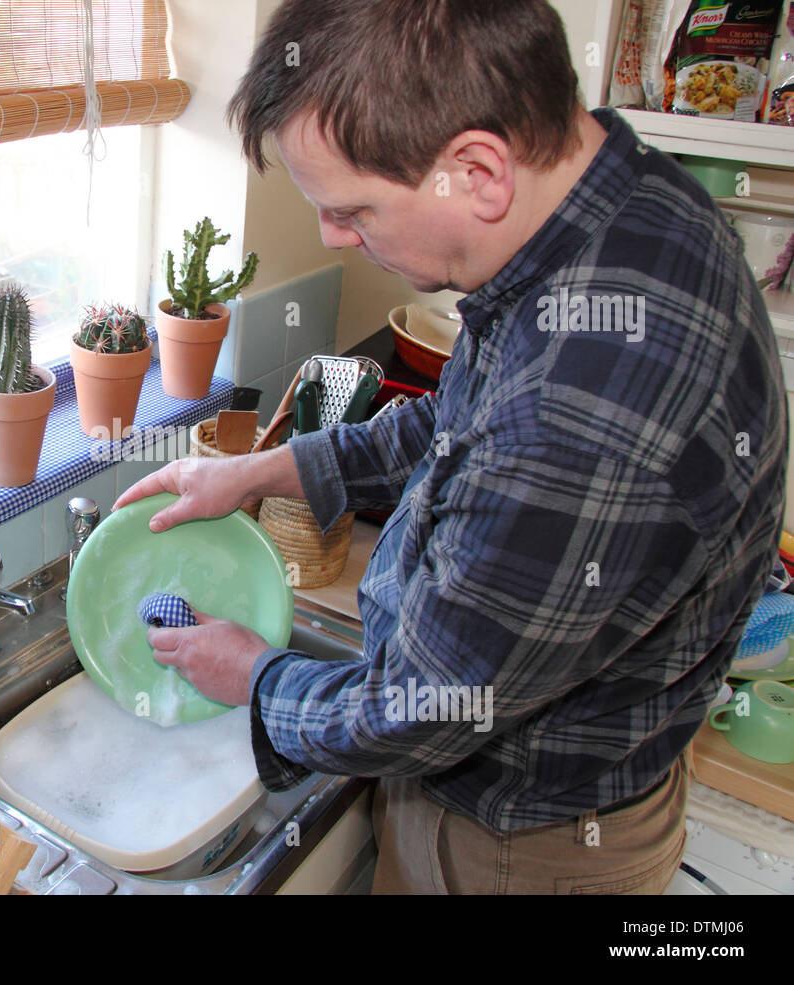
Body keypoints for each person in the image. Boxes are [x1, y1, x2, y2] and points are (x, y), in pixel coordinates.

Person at [115, 0, 788, 893]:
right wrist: (270, 466)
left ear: (476, 172)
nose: (331, 236)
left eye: (353, 210)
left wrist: (255, 674)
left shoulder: (581, 405)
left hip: (520, 844)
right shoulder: (607, 210)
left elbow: (420, 710)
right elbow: (462, 421)